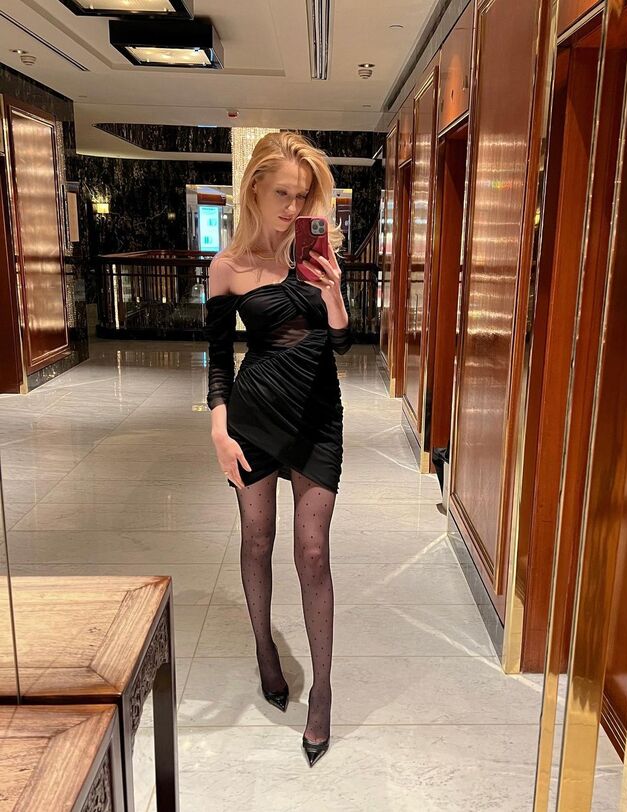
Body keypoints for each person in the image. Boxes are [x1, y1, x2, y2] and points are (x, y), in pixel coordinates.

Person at [205, 131, 351, 767]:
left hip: (318, 418)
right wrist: (219, 429)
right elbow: (218, 360)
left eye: (303, 195)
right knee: (257, 540)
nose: (294, 207)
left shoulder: (318, 257)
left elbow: (342, 344)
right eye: (283, 194)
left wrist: (334, 292)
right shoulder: (228, 267)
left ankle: (323, 689)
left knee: (313, 553)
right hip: (253, 418)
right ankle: (265, 646)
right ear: (255, 191)